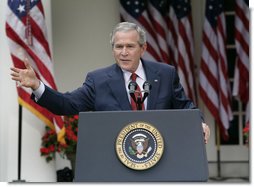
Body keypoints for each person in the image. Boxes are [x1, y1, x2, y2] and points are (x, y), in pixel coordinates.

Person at [10, 22, 210, 143]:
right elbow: (66, 104)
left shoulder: (165, 74)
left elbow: (185, 106)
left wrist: (199, 123)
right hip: (116, 161)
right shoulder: (98, 80)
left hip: (161, 156)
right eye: (118, 46)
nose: (123, 52)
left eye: (130, 46)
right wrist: (37, 86)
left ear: (143, 48)